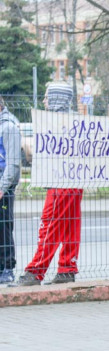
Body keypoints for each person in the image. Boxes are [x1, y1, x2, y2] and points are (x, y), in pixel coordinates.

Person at [15, 82, 82, 286]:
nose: (43, 101)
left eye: (46, 97)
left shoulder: (54, 123)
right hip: (75, 182)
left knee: (49, 224)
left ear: (56, 99)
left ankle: (36, 271)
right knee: (70, 224)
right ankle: (67, 268)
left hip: (60, 183)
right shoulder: (75, 121)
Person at [0, 95, 22, 284]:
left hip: (3, 187)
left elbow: (13, 163)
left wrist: (2, 187)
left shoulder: (8, 127)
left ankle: (8, 267)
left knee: (4, 227)